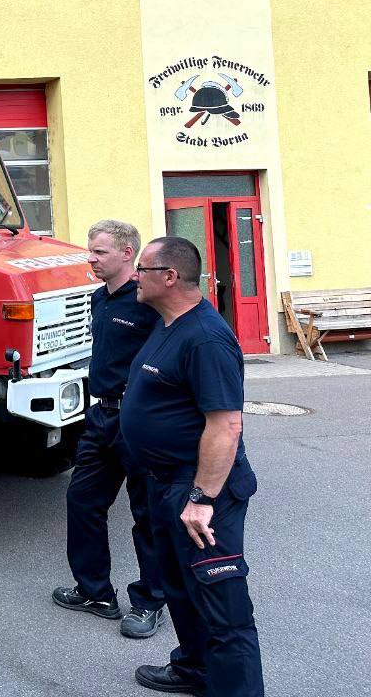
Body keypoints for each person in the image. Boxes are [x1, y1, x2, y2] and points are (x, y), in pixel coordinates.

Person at [123, 236, 264, 697]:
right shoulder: (168, 322)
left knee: (223, 607)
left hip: (201, 490)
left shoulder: (205, 337)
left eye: (141, 269)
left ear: (169, 277)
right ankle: (194, 669)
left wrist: (202, 499)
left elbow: (226, 426)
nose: (134, 277)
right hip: (164, 483)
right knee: (180, 589)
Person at [53, 220, 167, 638]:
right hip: (101, 417)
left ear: (126, 253)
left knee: (147, 514)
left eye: (99, 252)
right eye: (90, 250)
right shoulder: (98, 299)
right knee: (83, 501)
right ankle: (95, 591)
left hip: (138, 421)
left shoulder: (149, 302)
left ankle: (150, 602)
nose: (91, 258)